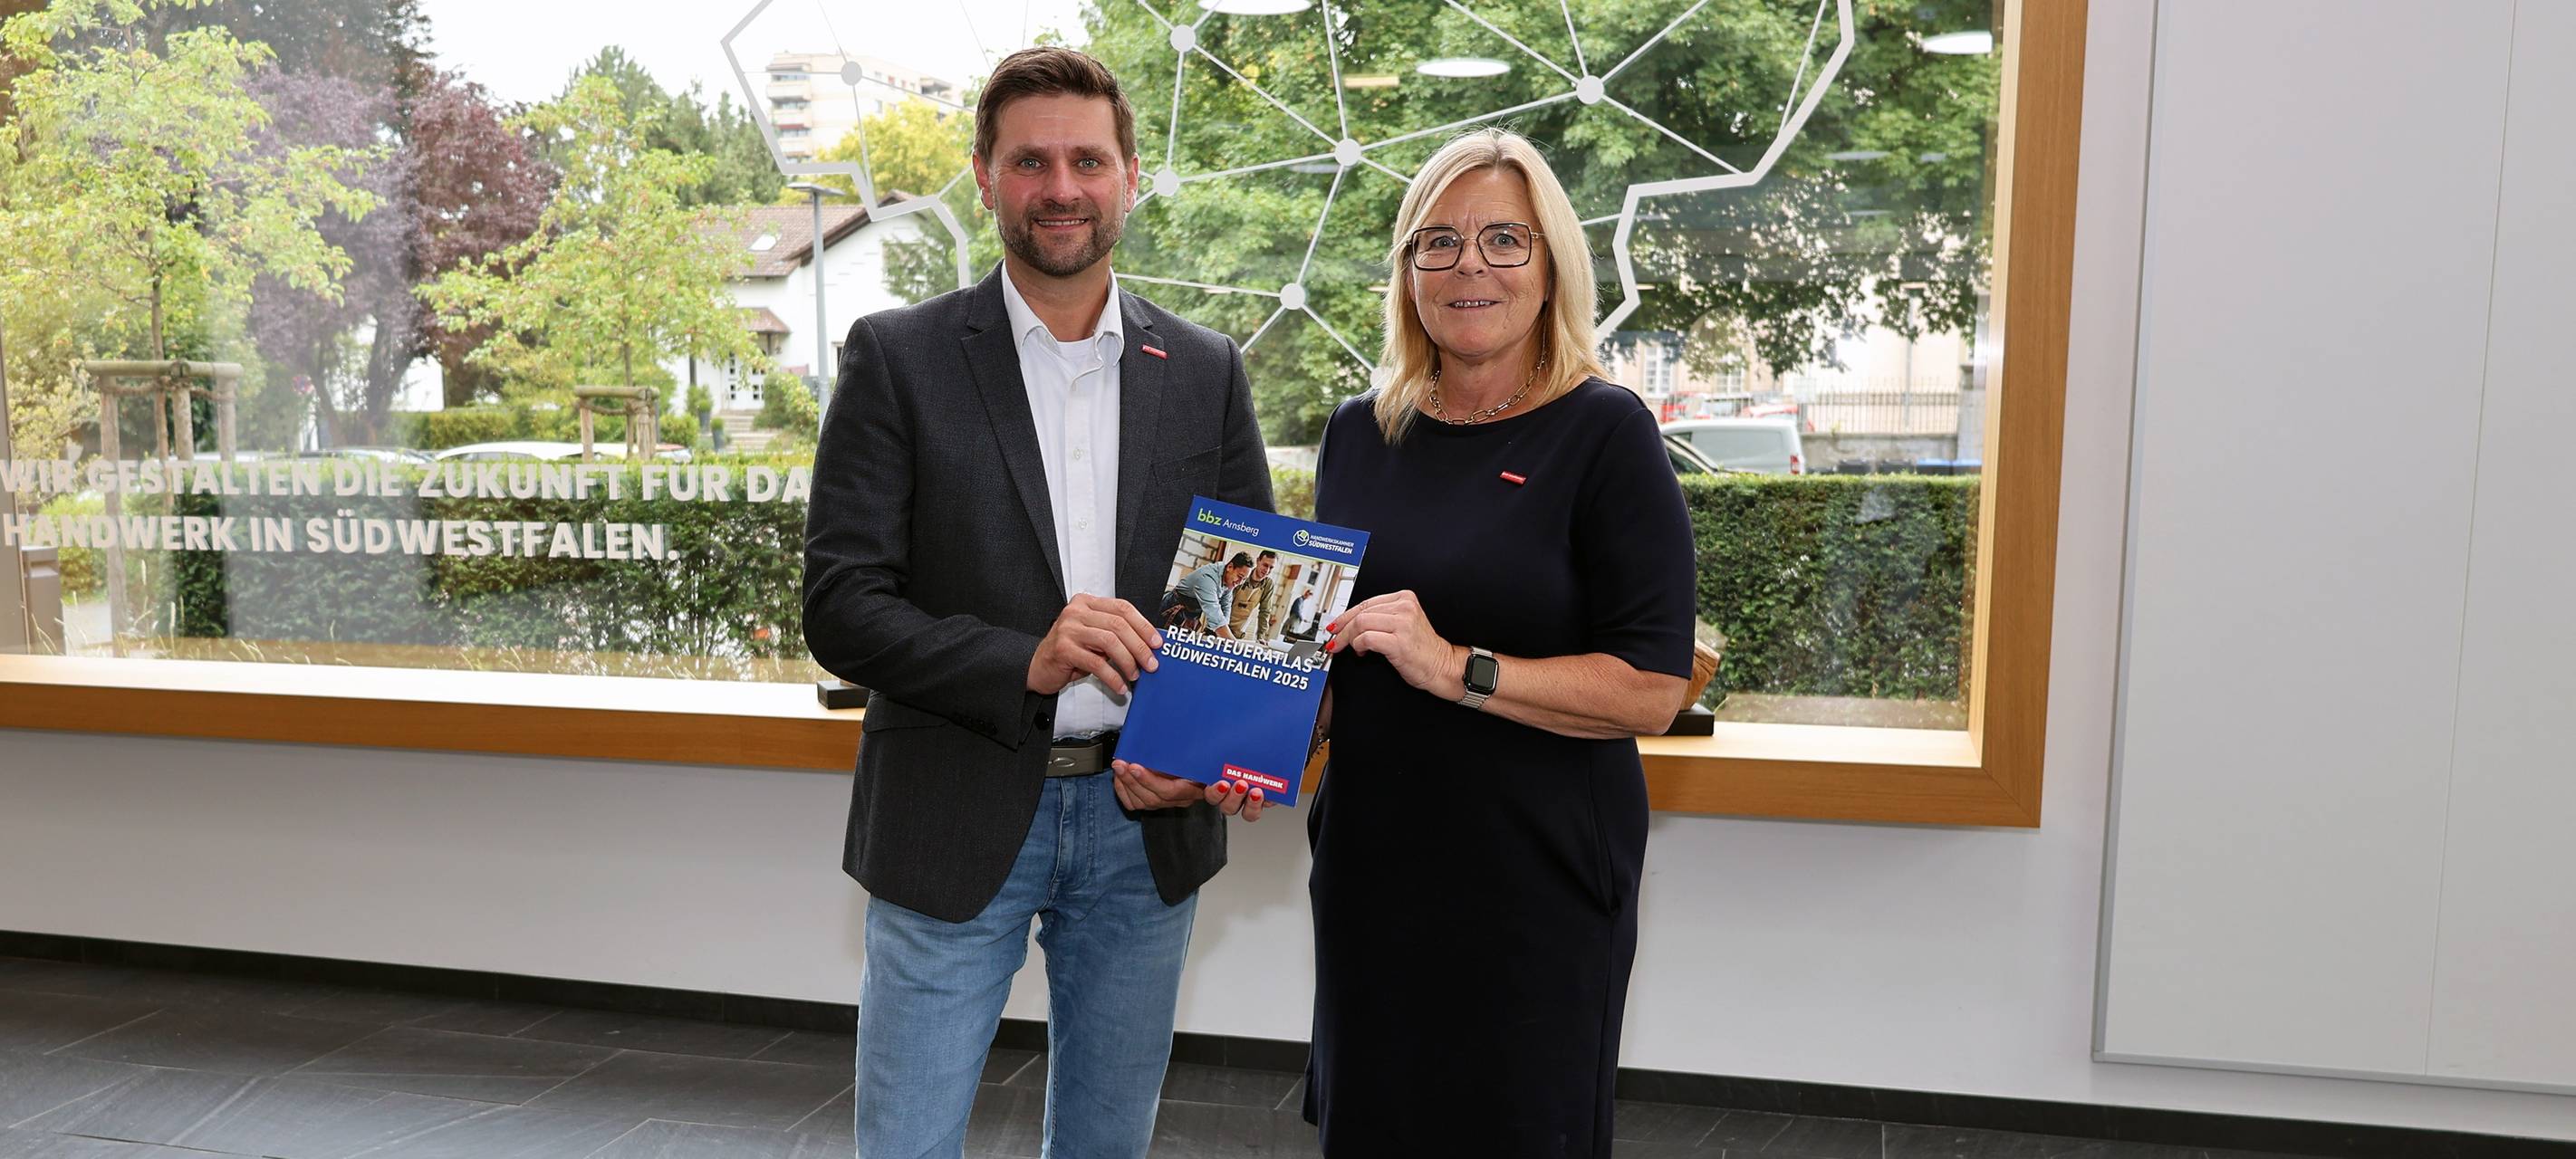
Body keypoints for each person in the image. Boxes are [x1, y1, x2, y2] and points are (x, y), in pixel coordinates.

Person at [800, 45, 1273, 1158]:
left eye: (1086, 160)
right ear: (985, 176)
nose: (1061, 186)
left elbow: (1244, 612)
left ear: (1130, 176)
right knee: (906, 1142)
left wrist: (1212, 751)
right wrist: (1026, 656)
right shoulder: (898, 357)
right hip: (954, 808)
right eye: (1031, 161)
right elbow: (841, 604)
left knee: (1107, 1144)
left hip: (1143, 823)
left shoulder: (1205, 369)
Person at [1302, 129, 1697, 1155]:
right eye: (1438, 241)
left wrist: (1456, 667)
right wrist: (1259, 728)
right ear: (1407, 272)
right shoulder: (1358, 430)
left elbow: (1652, 684)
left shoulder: (1607, 432)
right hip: (1374, 869)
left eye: (1504, 240)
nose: (1469, 264)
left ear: (1553, 263)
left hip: (1538, 879)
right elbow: (1339, 654)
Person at [1162, 551, 1252, 635]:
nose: (1240, 582)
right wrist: (1233, 643)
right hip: (1174, 608)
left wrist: (1214, 630)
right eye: (1239, 577)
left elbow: (1226, 605)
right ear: (1230, 567)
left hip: (1191, 616)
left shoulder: (1229, 580)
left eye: (1244, 579)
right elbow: (1214, 613)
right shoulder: (1208, 578)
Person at [1226, 549, 1282, 640]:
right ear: (1258, 561)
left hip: (1238, 633)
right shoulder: (1242, 576)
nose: (1267, 571)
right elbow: (1226, 603)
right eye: (1265, 565)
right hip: (1222, 627)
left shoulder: (1268, 584)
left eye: (1271, 568)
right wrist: (1223, 631)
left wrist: (1261, 637)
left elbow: (1265, 612)